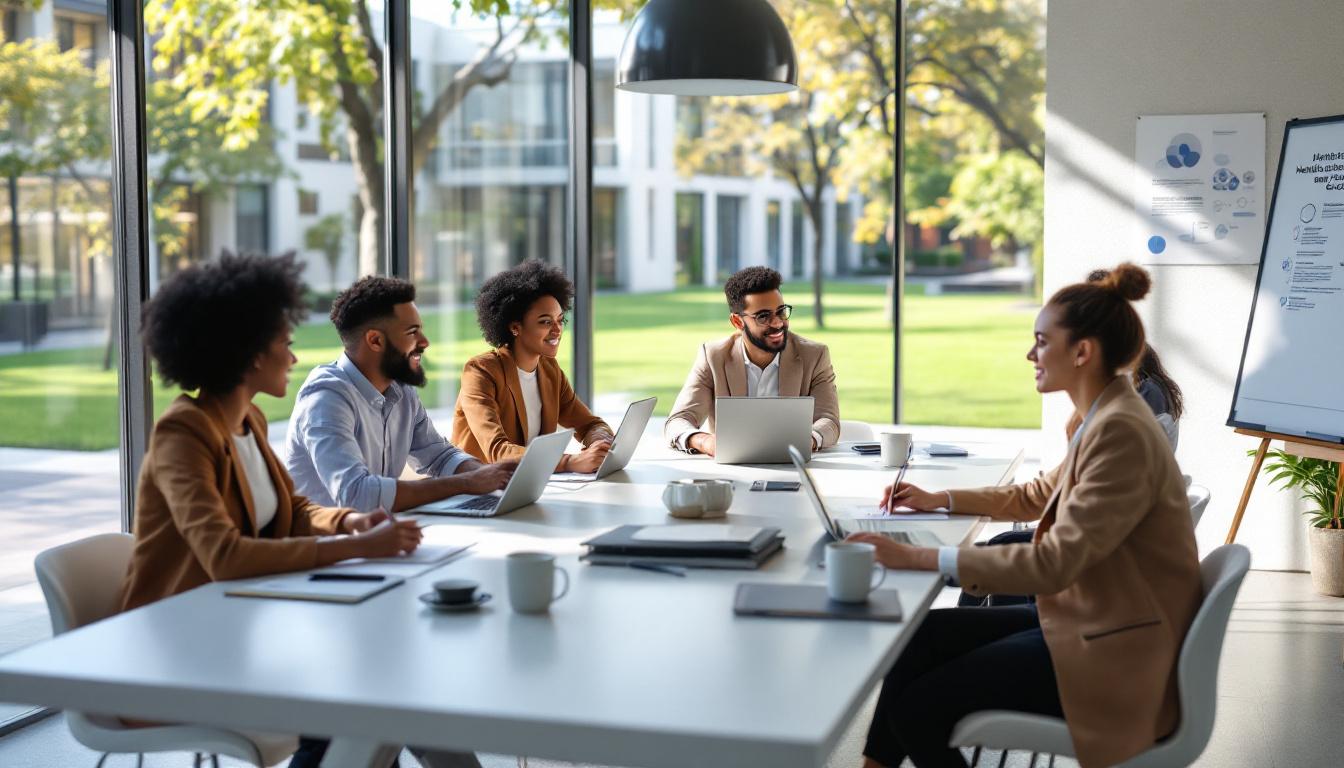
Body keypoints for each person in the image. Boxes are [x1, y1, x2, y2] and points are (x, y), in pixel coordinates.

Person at [852, 264, 1201, 768]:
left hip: (1109, 653)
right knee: (918, 638)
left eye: (1041, 341)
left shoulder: (1121, 430)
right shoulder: (1102, 415)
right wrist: (938, 499)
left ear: (1082, 352)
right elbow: (1038, 494)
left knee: (918, 709)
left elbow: (1053, 564)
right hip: (1087, 620)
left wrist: (918, 557)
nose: (1030, 354)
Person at [119, 253, 421, 615]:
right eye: (286, 345)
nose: (293, 360)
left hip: (238, 608)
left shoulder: (249, 420)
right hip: (176, 620)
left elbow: (290, 510)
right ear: (254, 354)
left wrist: (350, 522)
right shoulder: (183, 433)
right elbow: (224, 556)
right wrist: (358, 547)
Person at [285, 276, 516, 513]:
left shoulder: (400, 389)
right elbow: (356, 494)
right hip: (332, 544)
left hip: (380, 535)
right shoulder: (325, 399)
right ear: (375, 340)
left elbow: (438, 456)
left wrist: (491, 475)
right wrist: (466, 484)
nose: (425, 342)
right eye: (412, 332)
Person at [452, 260, 614, 472]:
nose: (557, 330)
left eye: (560, 320)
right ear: (515, 327)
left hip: (528, 484)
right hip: (478, 487)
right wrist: (569, 462)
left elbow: (590, 424)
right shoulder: (481, 372)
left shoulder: (549, 371)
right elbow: (497, 451)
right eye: (545, 322)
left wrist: (600, 442)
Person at [663, 266, 839, 455]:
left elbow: (828, 420)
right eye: (763, 316)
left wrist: (808, 440)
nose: (778, 323)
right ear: (738, 322)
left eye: (781, 311)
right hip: (731, 473)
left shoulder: (814, 355)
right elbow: (678, 420)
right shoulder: (713, 356)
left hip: (794, 467)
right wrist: (705, 442)